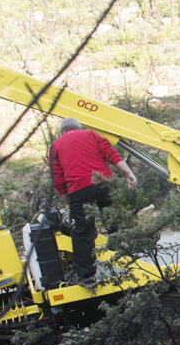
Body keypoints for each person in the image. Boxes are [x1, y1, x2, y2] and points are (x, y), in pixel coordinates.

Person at [51, 117, 137, 287]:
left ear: (62, 132)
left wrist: (68, 206)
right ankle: (127, 259)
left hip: (78, 189)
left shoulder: (56, 146)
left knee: (83, 232)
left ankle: (87, 277)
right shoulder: (91, 135)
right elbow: (111, 154)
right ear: (79, 127)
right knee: (113, 220)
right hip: (102, 182)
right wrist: (129, 173)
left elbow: (58, 179)